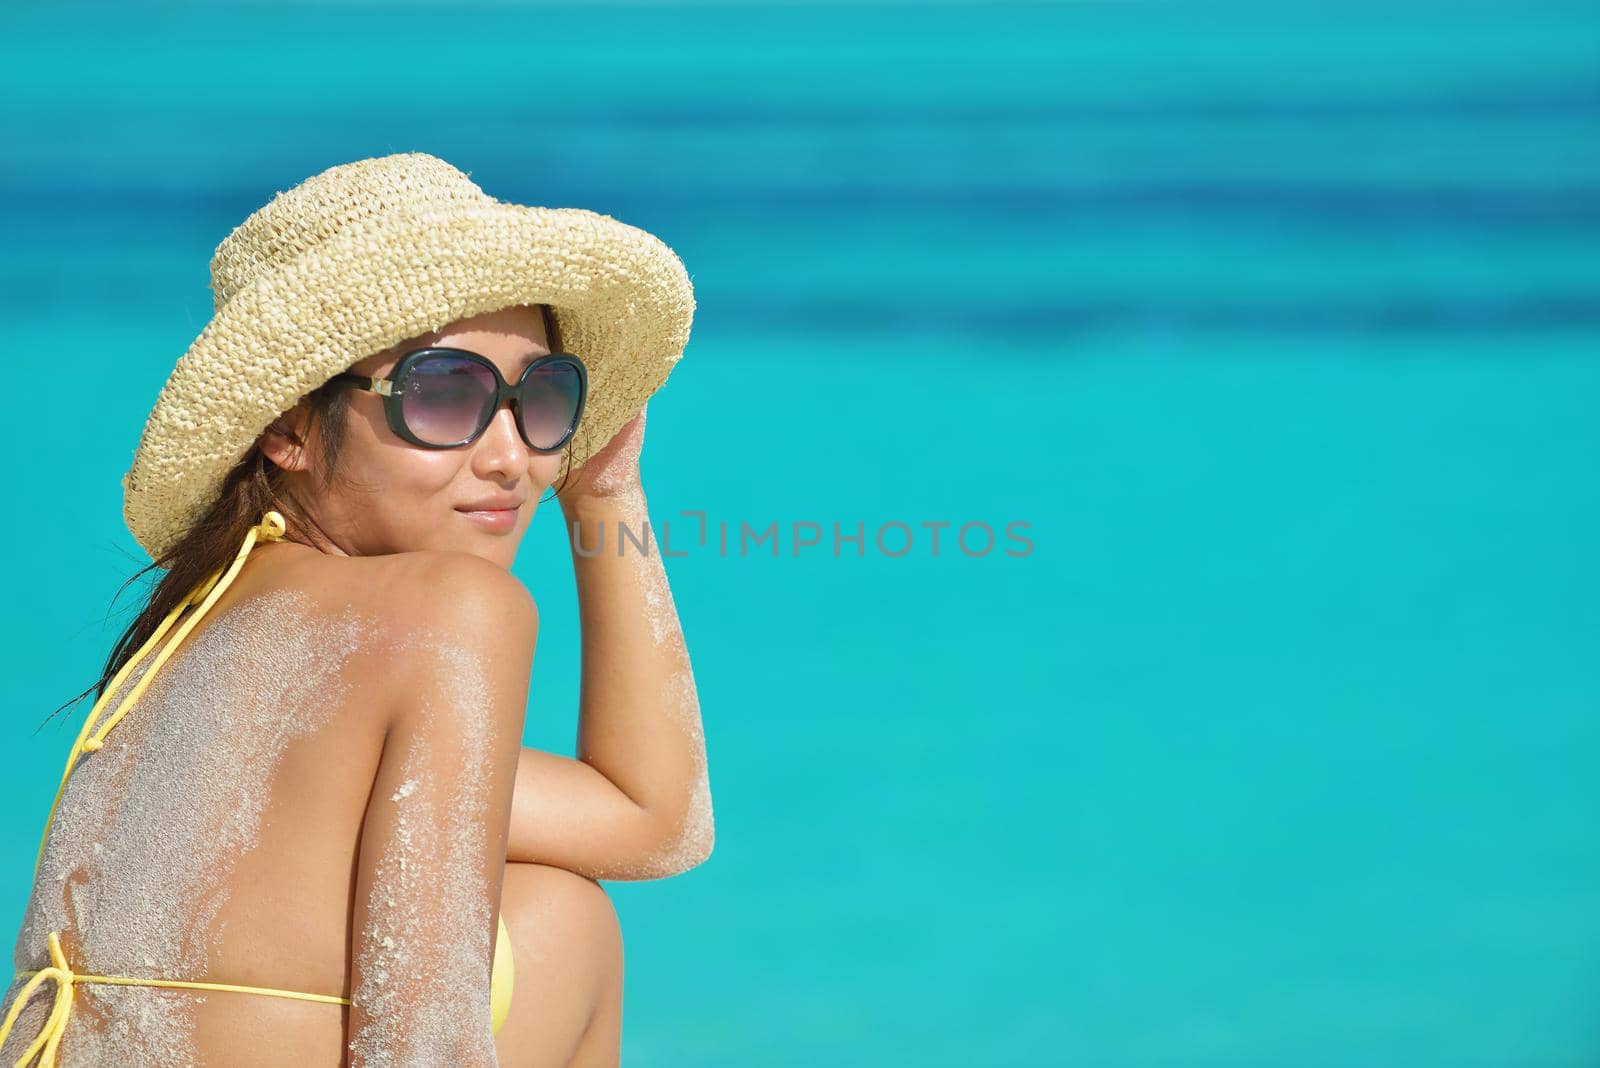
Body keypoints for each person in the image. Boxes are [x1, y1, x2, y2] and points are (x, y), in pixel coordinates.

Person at [0, 154, 713, 1066]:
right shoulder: (452, 611)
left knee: (555, 913)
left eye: (542, 398)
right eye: (444, 393)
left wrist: (604, 485)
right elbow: (420, 1043)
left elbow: (650, 822)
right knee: (571, 931)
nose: (509, 456)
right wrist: (611, 510)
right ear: (289, 426)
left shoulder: (183, 644)